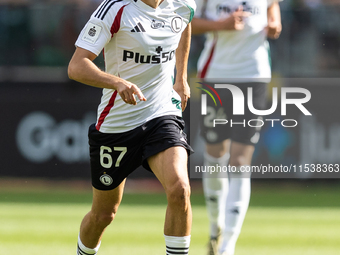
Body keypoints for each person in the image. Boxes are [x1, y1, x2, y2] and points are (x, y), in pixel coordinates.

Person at [68, 0, 196, 254]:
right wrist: (116, 82)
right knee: (104, 215)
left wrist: (180, 78)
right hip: (117, 125)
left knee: (180, 189)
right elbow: (76, 66)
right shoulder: (115, 9)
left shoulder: (183, 4)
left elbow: (184, 25)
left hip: (162, 113)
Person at [191, 1, 282, 255]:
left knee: (241, 161)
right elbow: (187, 22)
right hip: (215, 76)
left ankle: (227, 245)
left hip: (254, 76)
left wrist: (275, 22)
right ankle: (215, 226)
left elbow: (272, 5)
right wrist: (220, 25)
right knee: (215, 154)